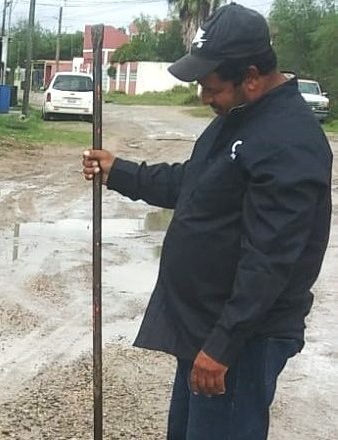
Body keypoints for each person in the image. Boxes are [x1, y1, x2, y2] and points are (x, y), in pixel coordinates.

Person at [82, 4, 331, 439]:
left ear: (250, 77)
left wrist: (222, 346)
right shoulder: (240, 121)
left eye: (210, 87)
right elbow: (193, 184)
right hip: (208, 329)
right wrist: (120, 171)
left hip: (241, 342)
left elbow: (270, 260)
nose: (203, 97)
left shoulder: (288, 142)